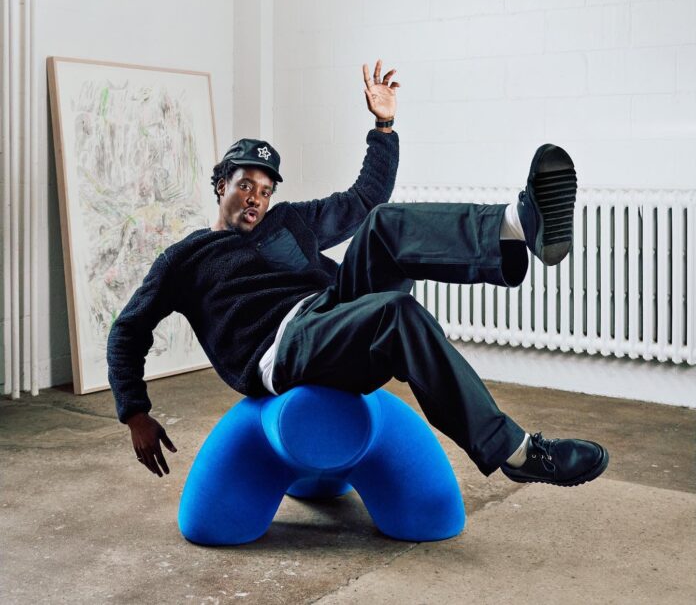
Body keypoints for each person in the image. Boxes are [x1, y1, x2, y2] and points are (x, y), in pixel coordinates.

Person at [107, 59, 609, 488]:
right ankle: (518, 453)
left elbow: (364, 197)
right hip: (281, 349)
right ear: (221, 184)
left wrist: (383, 127)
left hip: (332, 315)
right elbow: (128, 329)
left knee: (382, 222)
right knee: (397, 312)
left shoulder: (289, 221)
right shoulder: (186, 257)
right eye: (244, 185)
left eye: (265, 190)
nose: (256, 197)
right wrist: (135, 412)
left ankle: (516, 225)